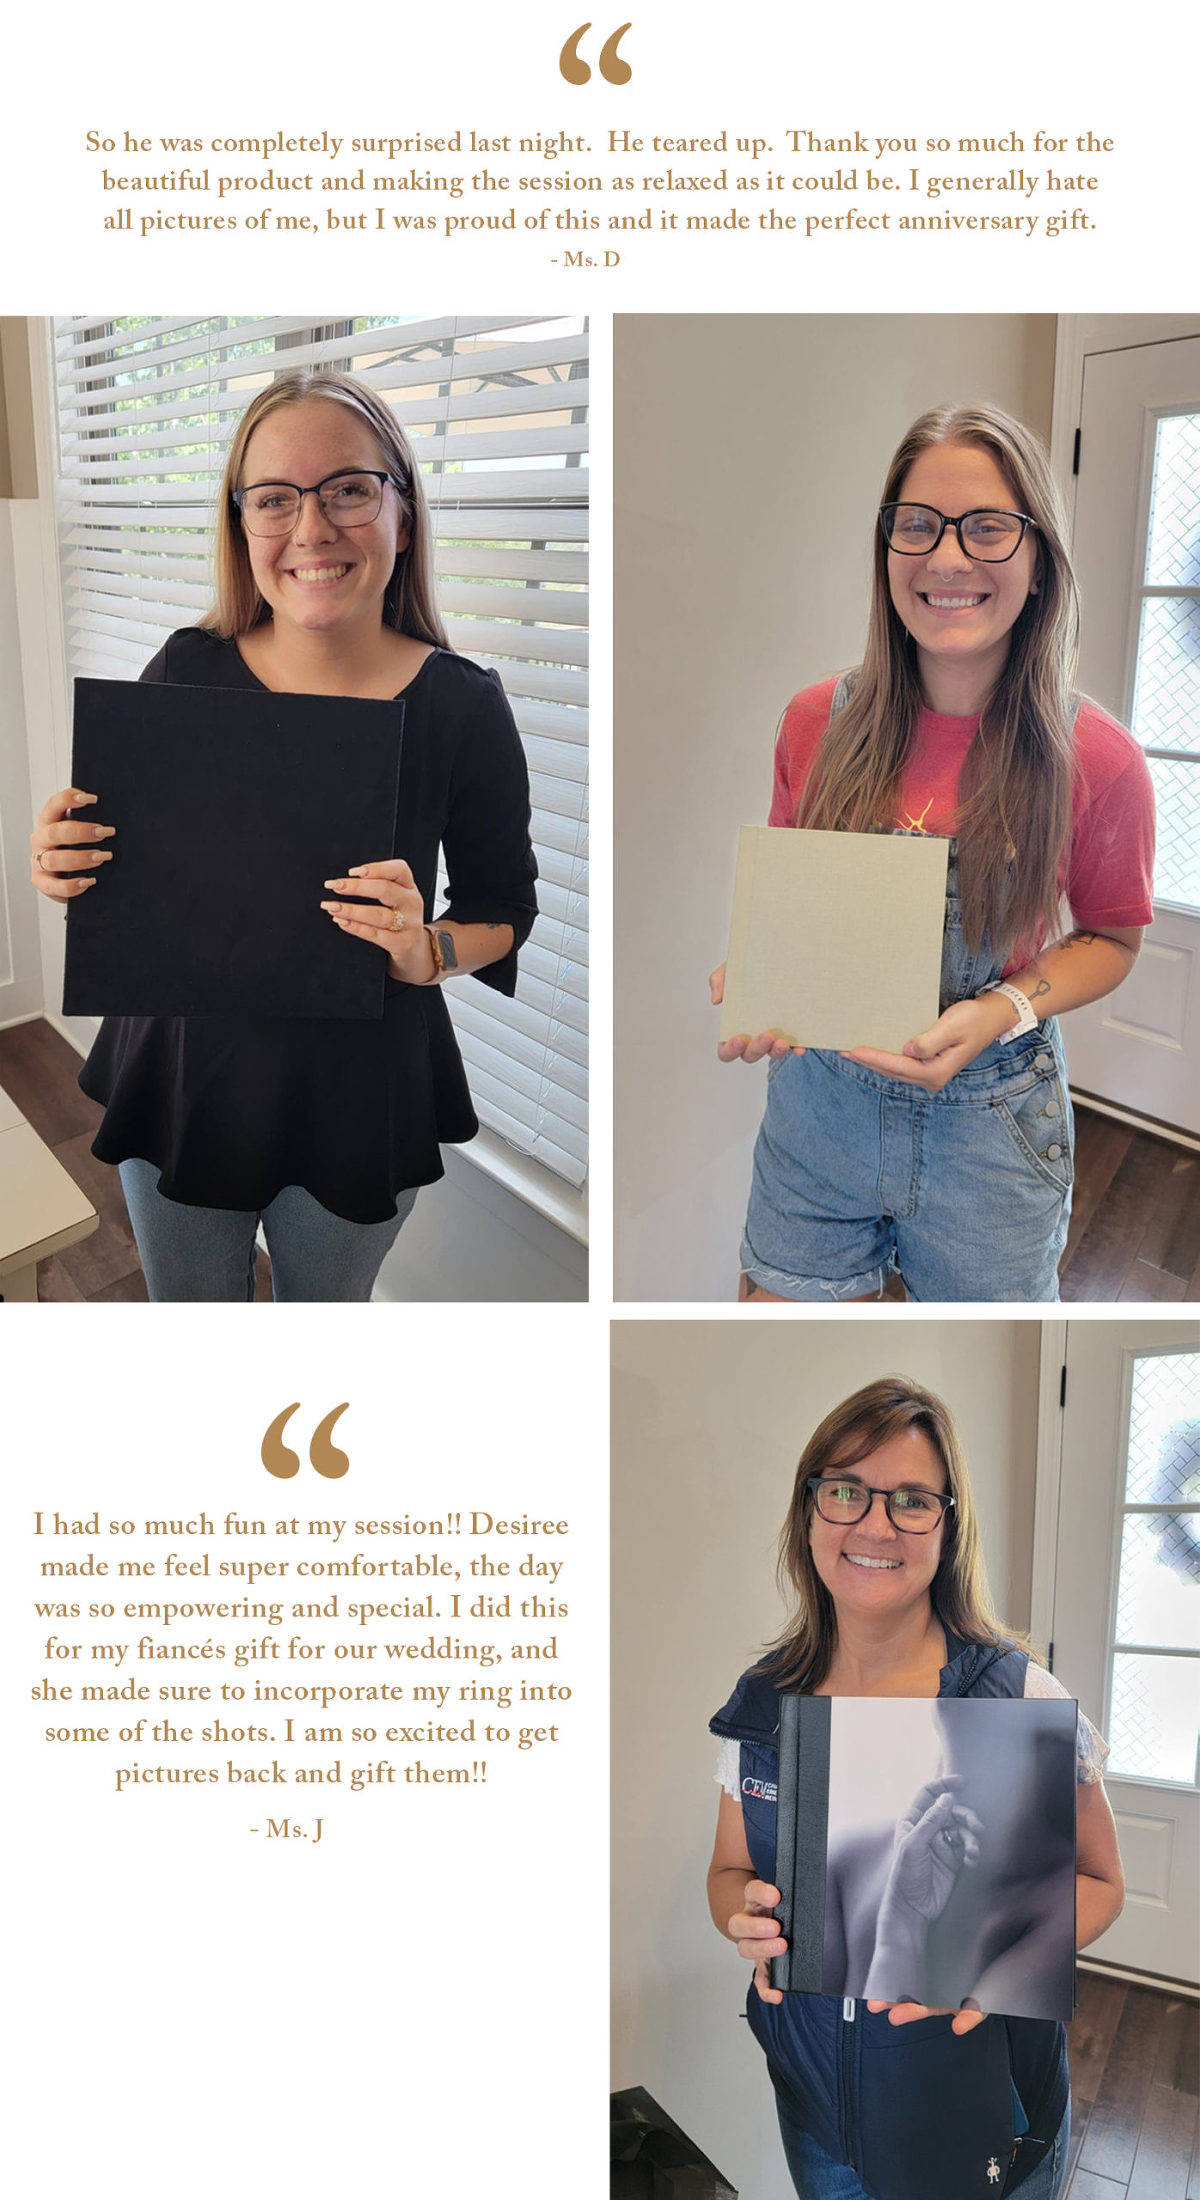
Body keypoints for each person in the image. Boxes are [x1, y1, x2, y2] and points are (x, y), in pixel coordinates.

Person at [30, 369, 537, 1302]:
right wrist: (71, 866)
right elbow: (125, 873)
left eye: (348, 488)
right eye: (274, 499)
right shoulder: (185, 668)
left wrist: (428, 948)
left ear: (404, 511)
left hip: (361, 1098)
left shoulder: (462, 706)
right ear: (241, 525)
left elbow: (506, 906)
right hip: (184, 1079)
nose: (312, 529)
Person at [709, 403, 1156, 1303]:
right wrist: (764, 979)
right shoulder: (813, 725)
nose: (947, 558)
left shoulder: (1099, 760)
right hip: (818, 1122)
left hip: (992, 1132)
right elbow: (801, 909)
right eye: (917, 525)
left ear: (1039, 563)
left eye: (988, 528)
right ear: (886, 552)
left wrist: (997, 1011)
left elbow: (1112, 938)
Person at [707, 1376, 1125, 2200]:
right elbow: (726, 1872)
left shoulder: (1016, 1698)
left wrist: (990, 1953)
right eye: (845, 1492)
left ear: (947, 1527)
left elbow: (1103, 1884)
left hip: (983, 2121)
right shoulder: (765, 1704)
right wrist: (743, 1918)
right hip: (822, 2122)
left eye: (910, 1501)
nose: (874, 1524)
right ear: (809, 1511)